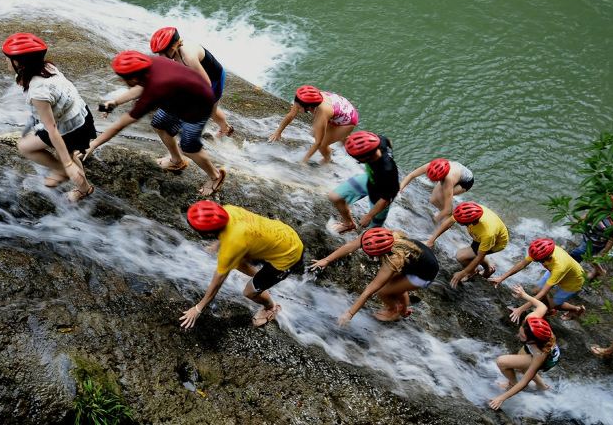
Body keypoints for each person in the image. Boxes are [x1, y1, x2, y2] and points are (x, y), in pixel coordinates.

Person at [81, 51, 226, 196]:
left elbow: (120, 125)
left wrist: (93, 144)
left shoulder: (155, 88)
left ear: (134, 76)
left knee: (189, 147)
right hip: (177, 98)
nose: (122, 81)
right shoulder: (148, 65)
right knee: (159, 124)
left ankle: (215, 176)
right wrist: (114, 103)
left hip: (198, 105)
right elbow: (140, 87)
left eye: (123, 78)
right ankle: (177, 161)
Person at [178, 200, 304, 329]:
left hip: (289, 255)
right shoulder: (228, 209)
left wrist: (198, 308)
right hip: (284, 233)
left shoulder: (232, 245)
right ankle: (260, 279)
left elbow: (217, 283)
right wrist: (220, 242)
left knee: (249, 292)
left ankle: (271, 307)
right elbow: (234, 228)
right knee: (236, 262)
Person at [3, 33, 95, 202]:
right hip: (79, 114)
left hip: (68, 127)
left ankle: (69, 175)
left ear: (18, 63)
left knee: (25, 146)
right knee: (67, 153)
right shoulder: (47, 67)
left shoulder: (38, 91)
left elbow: (52, 129)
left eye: (8, 59)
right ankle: (83, 187)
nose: (5, 62)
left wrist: (66, 166)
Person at [310, 227, 439, 324]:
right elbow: (350, 246)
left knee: (384, 292)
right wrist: (326, 260)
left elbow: (370, 290)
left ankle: (394, 310)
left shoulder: (393, 260)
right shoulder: (375, 236)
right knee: (396, 286)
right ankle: (403, 310)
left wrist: (349, 314)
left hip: (424, 275)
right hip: (416, 260)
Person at [149, 27, 233, 137]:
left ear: (174, 45)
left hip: (214, 78)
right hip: (199, 74)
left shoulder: (188, 57)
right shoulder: (177, 52)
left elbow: (206, 84)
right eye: (159, 53)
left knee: (210, 110)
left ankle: (226, 128)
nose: (161, 56)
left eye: (163, 52)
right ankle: (225, 127)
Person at [489, 285, 559, 411]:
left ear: (532, 341)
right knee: (522, 365)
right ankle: (543, 386)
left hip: (549, 357)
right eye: (522, 329)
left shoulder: (540, 354)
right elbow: (543, 306)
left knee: (503, 362)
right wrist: (524, 295)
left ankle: (512, 384)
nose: (518, 334)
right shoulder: (531, 319)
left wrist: (502, 398)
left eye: (521, 335)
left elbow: (524, 382)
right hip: (538, 347)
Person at [490, 238, 586, 322]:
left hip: (573, 281)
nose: (535, 261)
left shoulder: (559, 266)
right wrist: (501, 278)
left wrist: (520, 309)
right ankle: (548, 307)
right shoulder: (539, 251)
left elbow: (543, 293)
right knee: (536, 290)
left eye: (538, 261)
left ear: (548, 257)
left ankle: (576, 309)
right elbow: (522, 264)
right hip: (554, 271)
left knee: (552, 304)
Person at [328, 131, 400, 233]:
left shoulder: (387, 171)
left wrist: (369, 216)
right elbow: (388, 141)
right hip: (369, 179)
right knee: (334, 197)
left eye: (357, 158)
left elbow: (386, 199)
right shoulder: (379, 141)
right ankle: (349, 224)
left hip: (380, 193)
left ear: (367, 157)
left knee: (373, 229)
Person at [268, 85, 359, 164]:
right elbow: (291, 115)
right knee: (315, 133)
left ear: (309, 107)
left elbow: (318, 143)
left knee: (322, 144)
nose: (296, 108)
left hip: (347, 121)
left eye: (299, 107)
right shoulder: (304, 99)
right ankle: (345, 140)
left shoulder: (322, 112)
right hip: (339, 110)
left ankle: (328, 159)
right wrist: (278, 132)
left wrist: (304, 160)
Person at [426, 202, 506, 287]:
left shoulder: (488, 233)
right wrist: (431, 240)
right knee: (476, 252)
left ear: (472, 222)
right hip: (480, 237)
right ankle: (487, 268)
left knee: (461, 256)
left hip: (497, 243)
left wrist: (463, 272)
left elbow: (480, 256)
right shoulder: (468, 211)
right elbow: (449, 222)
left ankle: (479, 271)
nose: (457, 222)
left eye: (461, 223)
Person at [398, 158, 475, 223]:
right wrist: (399, 190)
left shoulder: (448, 180)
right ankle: (444, 214)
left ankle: (450, 219)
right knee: (433, 200)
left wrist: (434, 221)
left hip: (465, 182)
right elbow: (411, 175)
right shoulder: (430, 166)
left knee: (442, 198)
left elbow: (447, 209)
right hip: (455, 172)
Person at [569, 196, 613, 280]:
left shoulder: (610, 223)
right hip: (589, 237)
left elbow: (612, 239)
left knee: (578, 253)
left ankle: (571, 268)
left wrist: (603, 253)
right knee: (592, 258)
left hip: (596, 244)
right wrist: (576, 223)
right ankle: (597, 271)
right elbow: (586, 216)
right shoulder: (595, 212)